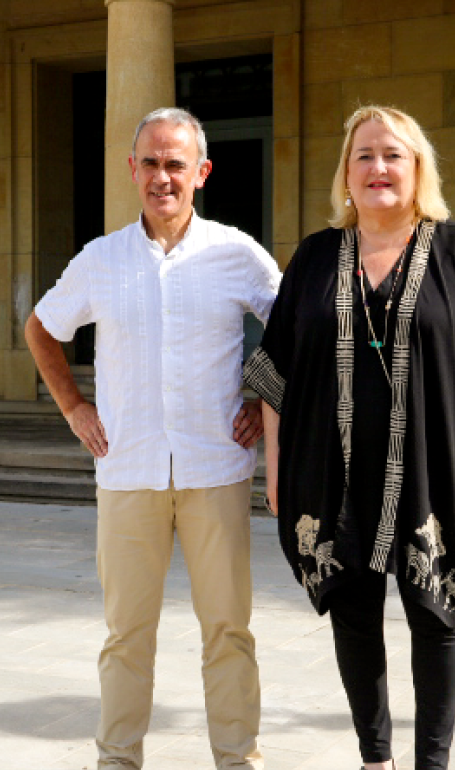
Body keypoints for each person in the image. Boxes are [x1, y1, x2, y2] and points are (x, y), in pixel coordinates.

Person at [243, 105, 455, 770]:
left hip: (435, 469)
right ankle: (375, 758)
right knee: (352, 611)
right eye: (364, 155)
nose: (378, 167)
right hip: (331, 469)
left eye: (393, 155)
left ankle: (432, 763)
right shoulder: (317, 257)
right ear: (346, 174)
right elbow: (277, 369)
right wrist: (276, 467)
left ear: (417, 169)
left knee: (436, 618)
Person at [25, 107, 280, 770]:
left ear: (202, 172)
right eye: (151, 163)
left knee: (228, 632)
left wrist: (264, 394)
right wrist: (73, 405)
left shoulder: (236, 253)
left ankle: (237, 762)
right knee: (126, 637)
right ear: (132, 169)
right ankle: (118, 763)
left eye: (176, 164)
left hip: (215, 469)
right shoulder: (100, 260)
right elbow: (42, 328)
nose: (162, 177)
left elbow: (294, 326)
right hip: (128, 471)